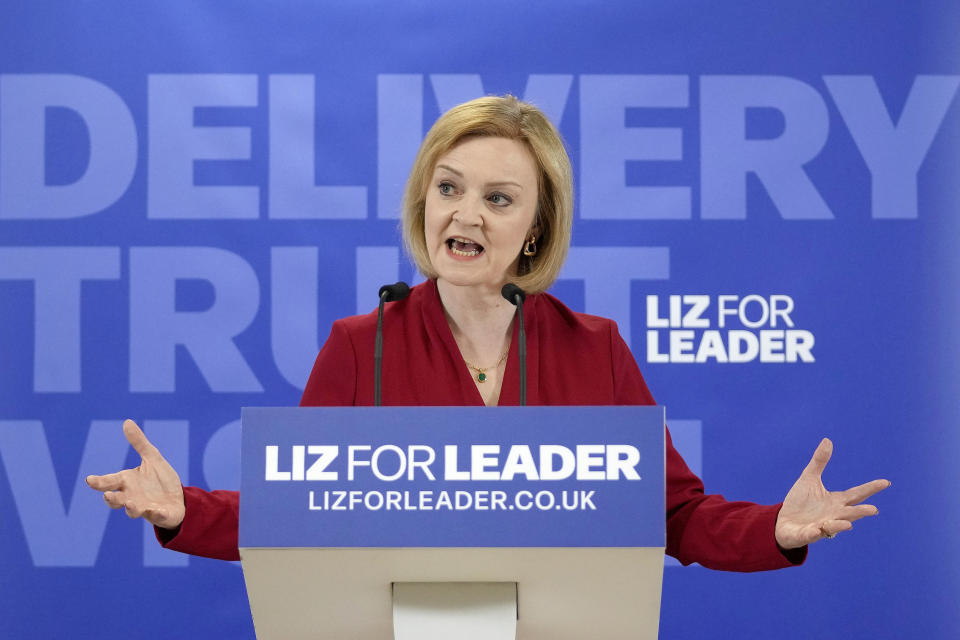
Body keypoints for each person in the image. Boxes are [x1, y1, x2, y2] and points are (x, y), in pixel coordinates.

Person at [86, 95, 889, 570]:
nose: (465, 213)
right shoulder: (358, 347)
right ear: (425, 200)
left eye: (499, 199)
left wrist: (774, 532)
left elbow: (672, 517)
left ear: (536, 229)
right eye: (448, 188)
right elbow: (294, 514)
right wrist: (180, 510)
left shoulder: (595, 348)